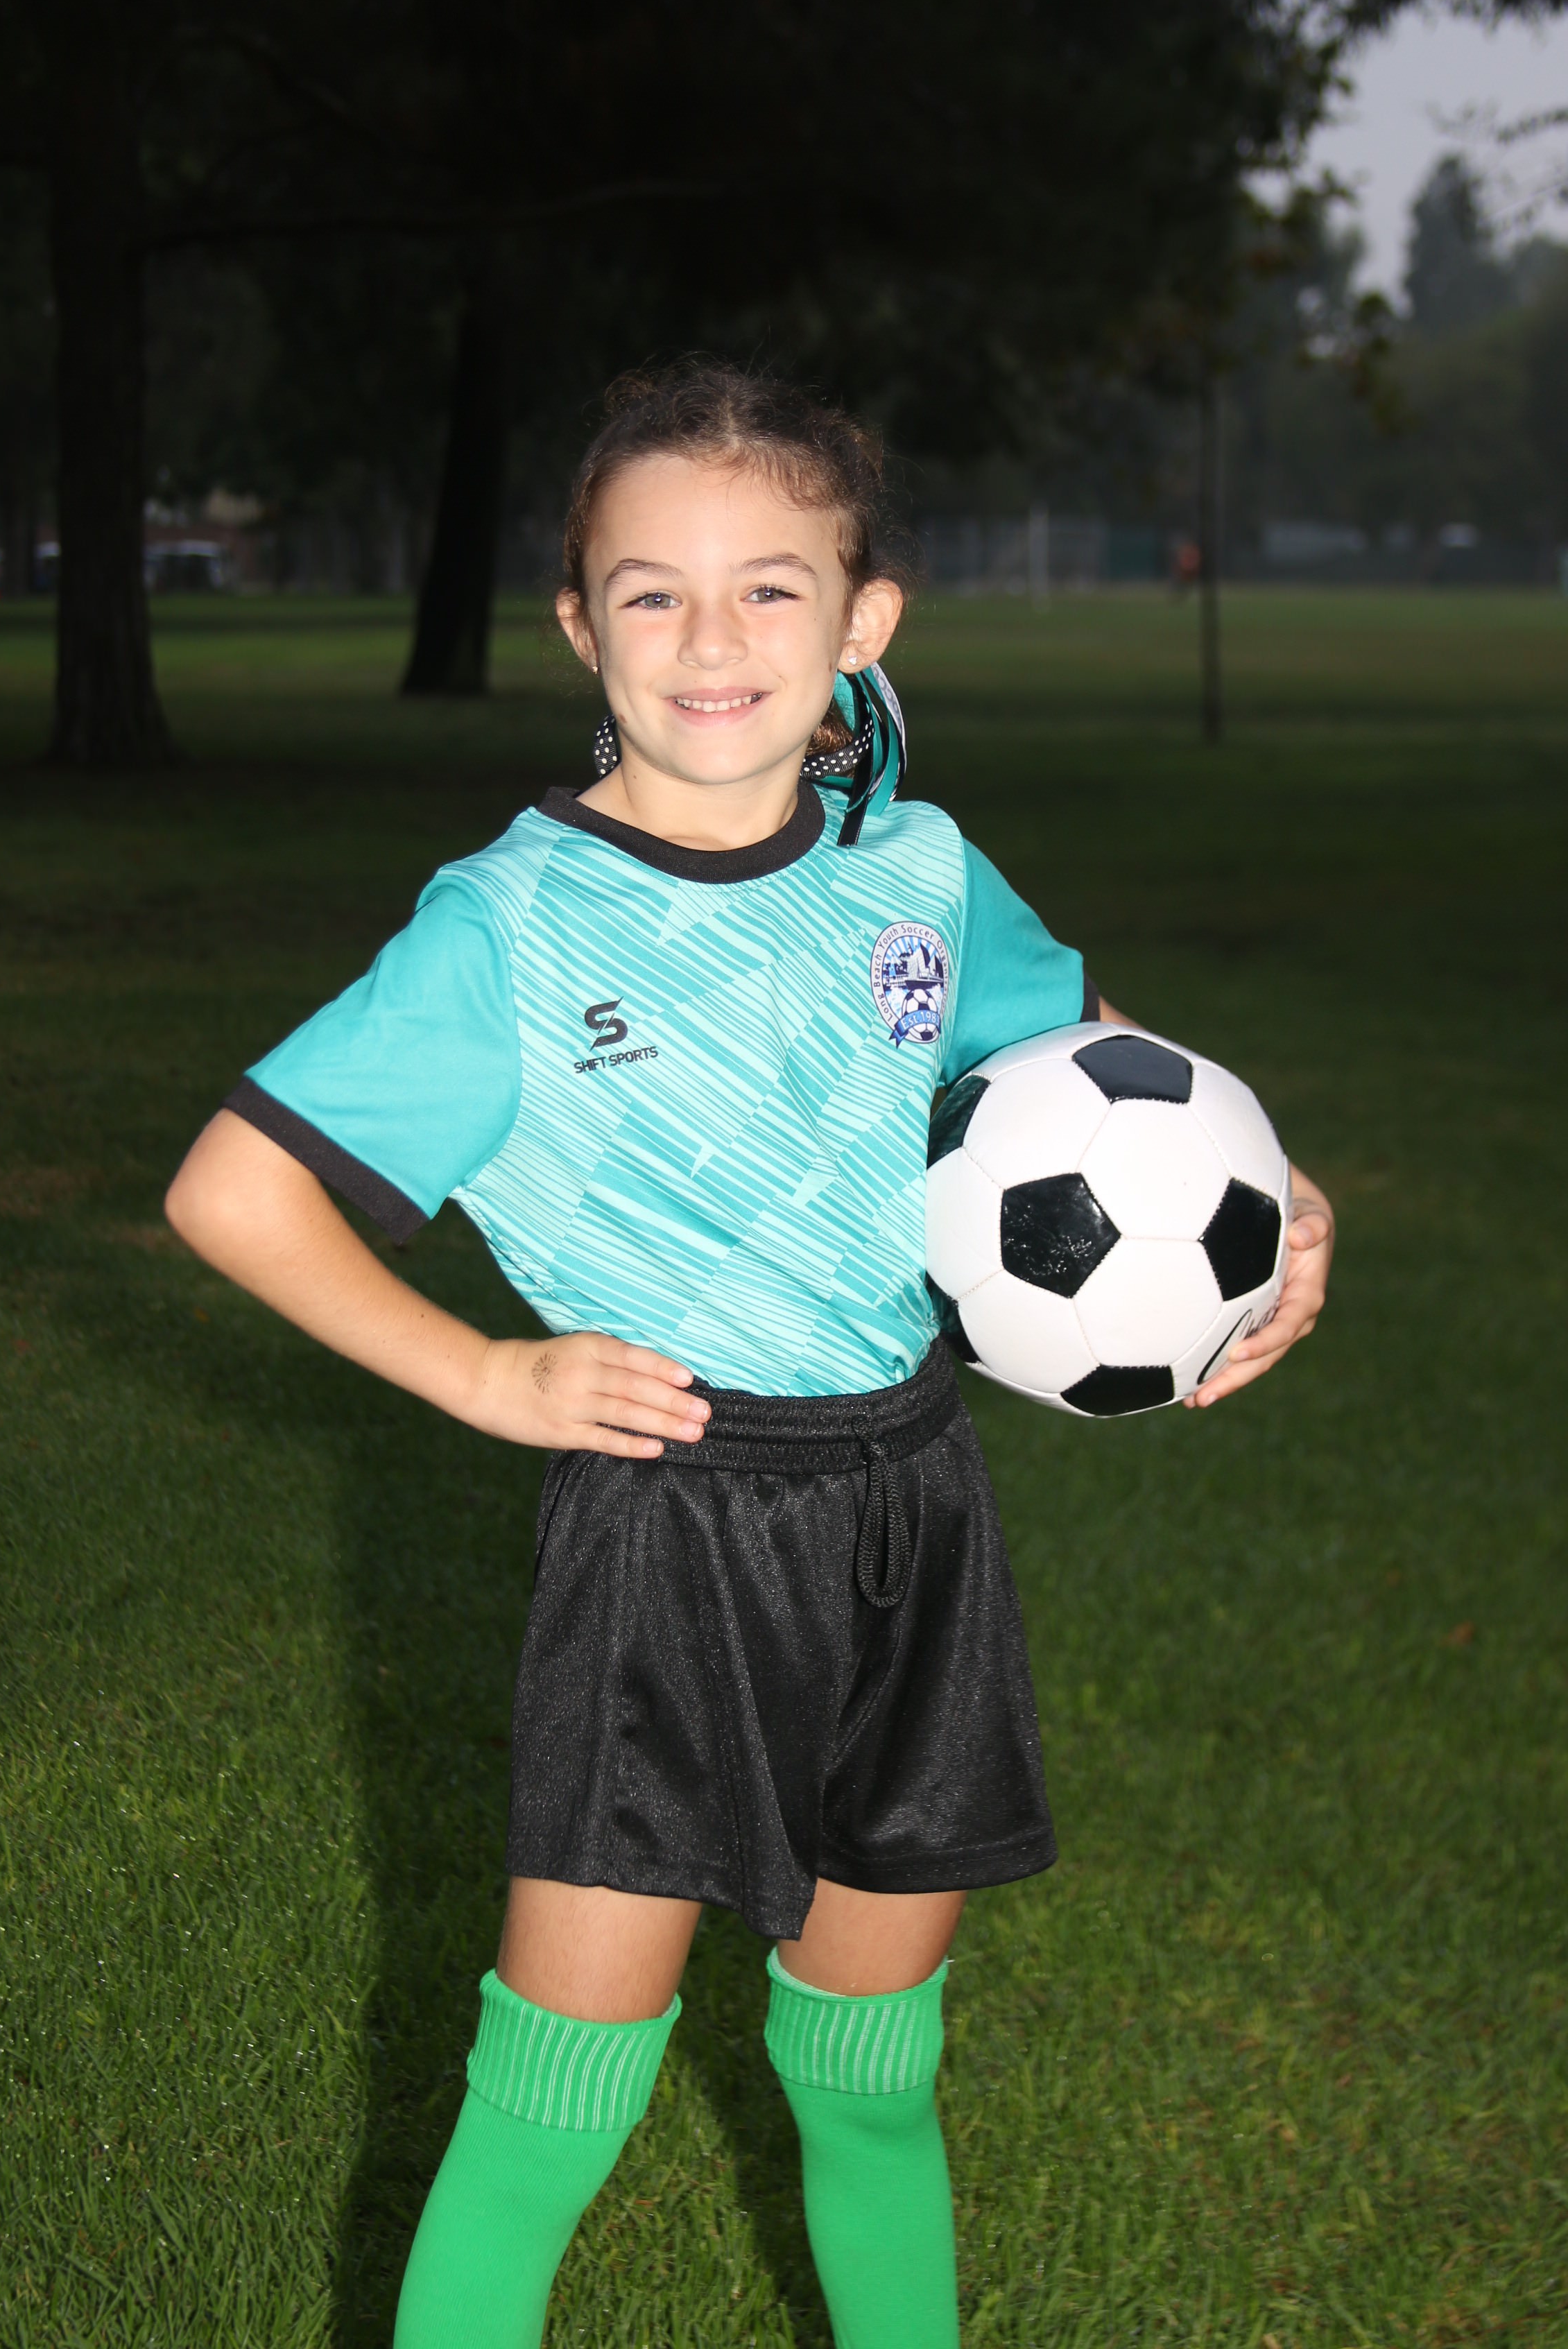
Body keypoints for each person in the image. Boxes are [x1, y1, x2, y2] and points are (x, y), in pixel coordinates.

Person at [165, 362, 1334, 2348]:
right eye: (654, 593)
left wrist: (1281, 1201)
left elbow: (1107, 1079)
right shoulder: (513, 929)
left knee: (870, 2068)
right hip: (671, 1532)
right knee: (556, 2100)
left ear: (865, 619)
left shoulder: (920, 874)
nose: (713, 641)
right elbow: (233, 1191)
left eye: (771, 588)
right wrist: (485, 1377)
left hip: (916, 1509)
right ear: (580, 626)